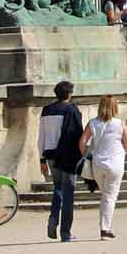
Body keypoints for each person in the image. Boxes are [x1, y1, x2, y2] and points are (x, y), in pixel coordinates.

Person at [78, 94, 127, 240]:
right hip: (115, 163)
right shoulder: (120, 123)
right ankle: (105, 229)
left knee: (106, 195)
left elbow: (82, 142)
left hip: (98, 164)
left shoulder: (92, 123)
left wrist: (87, 155)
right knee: (110, 196)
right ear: (115, 107)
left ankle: (105, 226)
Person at [38, 80, 84, 242]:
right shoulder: (72, 110)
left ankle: (53, 217)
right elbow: (78, 135)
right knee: (69, 193)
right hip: (67, 156)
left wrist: (42, 159)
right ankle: (66, 232)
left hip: (50, 155)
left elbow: (41, 136)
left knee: (58, 188)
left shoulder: (47, 110)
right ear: (70, 94)